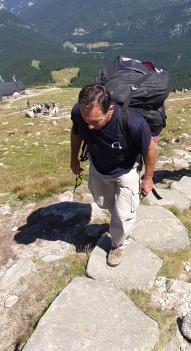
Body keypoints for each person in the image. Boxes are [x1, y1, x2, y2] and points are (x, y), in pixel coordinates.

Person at [70, 84, 156, 267]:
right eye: (87, 121)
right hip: (98, 168)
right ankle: (118, 218)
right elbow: (76, 132)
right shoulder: (79, 113)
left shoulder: (132, 122)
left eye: (96, 121)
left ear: (110, 109)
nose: (90, 127)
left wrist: (148, 178)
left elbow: (149, 148)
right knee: (103, 203)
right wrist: (74, 158)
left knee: (122, 213)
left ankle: (119, 244)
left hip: (126, 170)